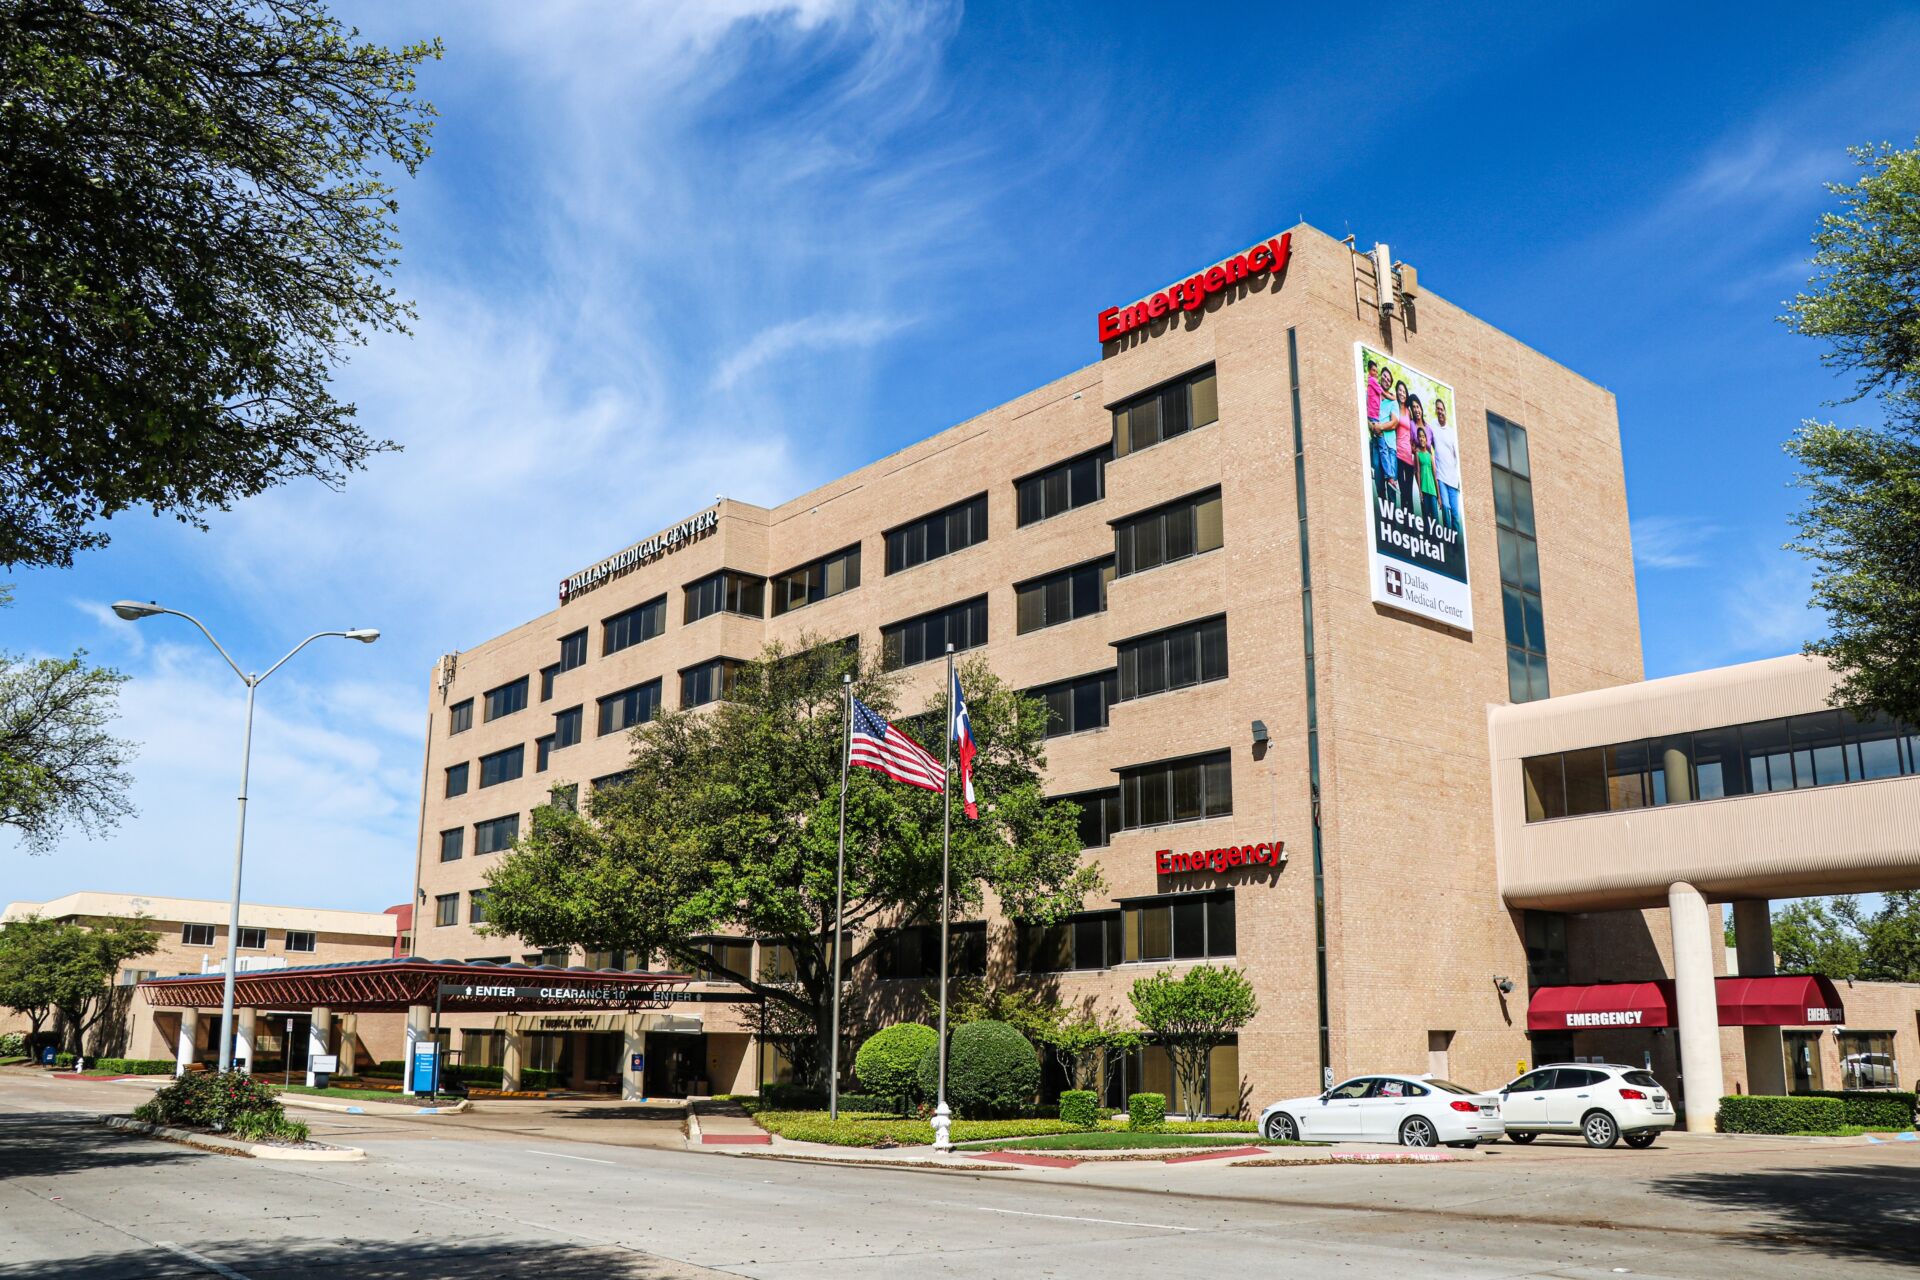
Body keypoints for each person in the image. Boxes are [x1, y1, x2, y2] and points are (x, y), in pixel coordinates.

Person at [1366, 359, 1398, 505]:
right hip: (1375, 441)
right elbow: (1366, 415)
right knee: (1378, 479)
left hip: (1389, 445)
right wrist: (1373, 426)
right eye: (1384, 376)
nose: (1385, 379)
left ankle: (1393, 520)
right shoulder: (1373, 393)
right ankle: (1384, 515)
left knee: (1391, 488)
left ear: (1390, 383)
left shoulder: (1392, 401)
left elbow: (1394, 422)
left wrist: (1380, 427)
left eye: (1388, 379)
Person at [1431, 396, 1462, 531]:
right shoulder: (1433, 427)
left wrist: (1459, 478)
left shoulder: (1451, 433)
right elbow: (1427, 442)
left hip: (1453, 480)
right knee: (1445, 508)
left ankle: (1456, 542)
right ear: (1436, 411)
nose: (1440, 411)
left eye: (1442, 409)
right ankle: (1448, 538)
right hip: (1441, 477)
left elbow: (1458, 458)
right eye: (1438, 409)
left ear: (1445, 411)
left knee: (1455, 513)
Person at [1395, 387, 1418, 512]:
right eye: (1400, 391)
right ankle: (1405, 521)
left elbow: (1413, 432)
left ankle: (1411, 526)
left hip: (1409, 457)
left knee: (1409, 492)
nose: (1401, 393)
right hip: (1398, 454)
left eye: (1404, 391)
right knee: (1403, 490)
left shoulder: (1409, 412)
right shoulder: (1394, 407)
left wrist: (1415, 447)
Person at [1414, 419, 1439, 525]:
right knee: (1426, 518)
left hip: (1432, 491)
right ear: (1418, 439)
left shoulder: (1430, 456)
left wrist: (1439, 496)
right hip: (1424, 490)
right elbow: (1418, 472)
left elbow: (1435, 475)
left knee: (1435, 519)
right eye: (1420, 437)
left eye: (1423, 436)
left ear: (1426, 439)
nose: (1422, 439)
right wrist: (1420, 490)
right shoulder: (1417, 454)